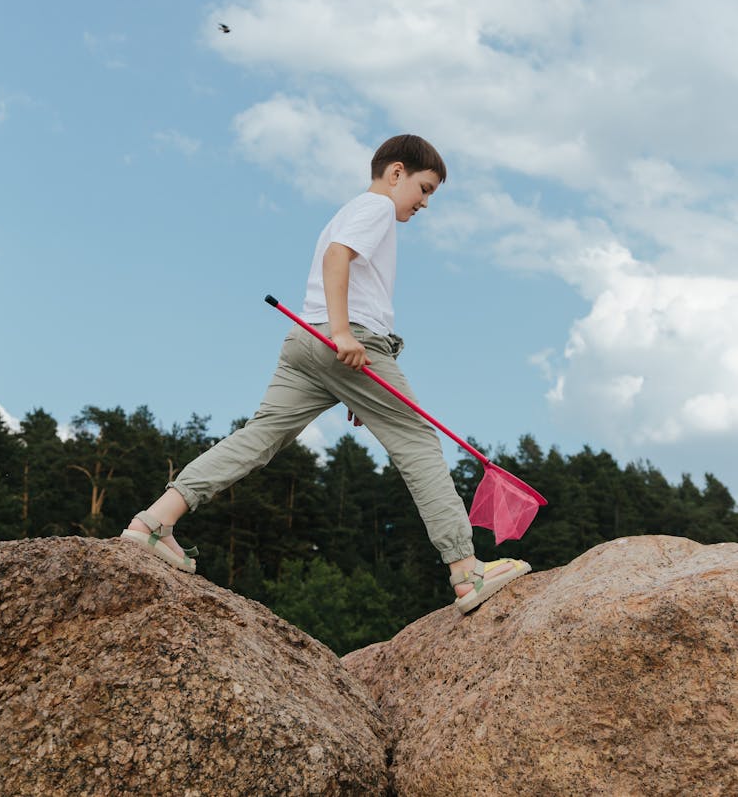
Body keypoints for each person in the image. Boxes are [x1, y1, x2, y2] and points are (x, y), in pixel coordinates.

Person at [121, 134, 530, 614]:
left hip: (305, 343)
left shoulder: (350, 211)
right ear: (396, 172)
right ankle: (466, 572)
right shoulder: (376, 209)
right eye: (425, 189)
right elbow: (340, 258)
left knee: (260, 435)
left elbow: (337, 262)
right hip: (343, 339)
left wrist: (344, 366)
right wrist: (343, 335)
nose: (425, 203)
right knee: (418, 441)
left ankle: (152, 523)